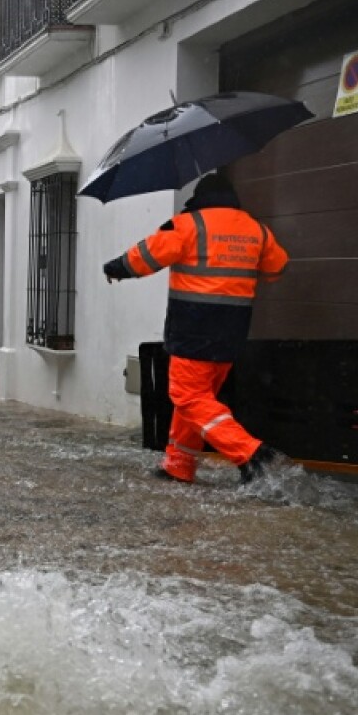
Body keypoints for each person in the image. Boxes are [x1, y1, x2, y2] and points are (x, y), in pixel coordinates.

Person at [103, 173, 290, 484]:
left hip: (194, 326)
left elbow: (145, 257)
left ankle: (251, 453)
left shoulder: (187, 225)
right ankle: (179, 464)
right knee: (198, 399)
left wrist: (115, 267)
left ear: (199, 198)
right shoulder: (255, 229)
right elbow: (278, 267)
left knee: (188, 396)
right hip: (232, 330)